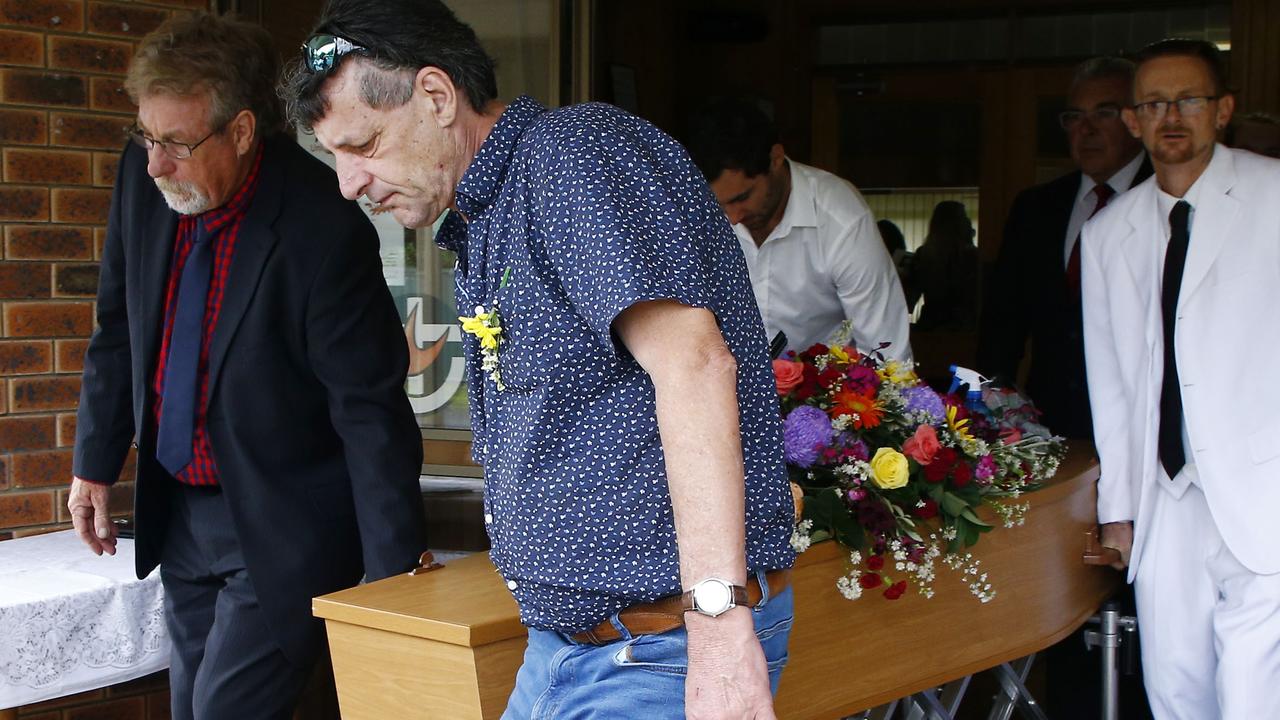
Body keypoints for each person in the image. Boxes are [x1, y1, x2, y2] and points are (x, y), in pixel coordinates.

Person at [284, 2, 796, 719]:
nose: (348, 182)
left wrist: (718, 630)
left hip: (661, 647)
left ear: (435, 96)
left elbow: (696, 363)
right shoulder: (486, 211)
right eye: (334, 155)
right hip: (575, 649)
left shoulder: (572, 155)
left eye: (362, 144)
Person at [67, 14, 427, 719]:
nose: (155, 164)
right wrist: (95, 463)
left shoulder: (323, 228)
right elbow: (118, 328)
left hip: (280, 527)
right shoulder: (146, 185)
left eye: (175, 143)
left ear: (239, 131)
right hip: (178, 514)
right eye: (146, 136)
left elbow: (369, 411)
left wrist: (394, 588)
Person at [1083, 38, 1280, 719]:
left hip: (1264, 484)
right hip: (1165, 495)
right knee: (1174, 687)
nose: (1172, 116)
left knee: (1254, 692)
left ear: (1222, 110)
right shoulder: (1109, 232)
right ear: (1132, 121)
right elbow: (1109, 379)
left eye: (1189, 100)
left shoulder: (1273, 195)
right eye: (1153, 103)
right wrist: (1117, 507)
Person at [979, 56, 1151, 440]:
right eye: (1074, 116)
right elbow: (1003, 319)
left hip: (1142, 424)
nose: (1086, 129)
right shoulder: (1038, 207)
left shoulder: (1164, 199)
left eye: (1103, 113)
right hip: (1050, 421)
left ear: (1136, 119)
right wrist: (993, 401)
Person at [686, 98, 913, 362]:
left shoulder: (841, 219)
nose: (733, 218)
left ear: (775, 158)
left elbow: (886, 354)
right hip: (725, 384)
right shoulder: (699, 215)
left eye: (742, 197)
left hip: (819, 391)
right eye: (720, 205)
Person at [911, 200, 978, 331]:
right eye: (964, 217)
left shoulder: (924, 254)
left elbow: (911, 296)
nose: (968, 221)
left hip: (930, 325)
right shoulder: (970, 256)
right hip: (961, 327)